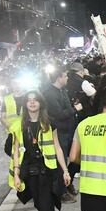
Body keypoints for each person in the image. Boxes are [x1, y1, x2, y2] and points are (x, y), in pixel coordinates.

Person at [9, 90, 71, 211]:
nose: (32, 102)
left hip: (48, 171)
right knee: (41, 205)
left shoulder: (49, 123)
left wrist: (65, 170)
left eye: (35, 100)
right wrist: (16, 174)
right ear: (25, 104)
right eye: (29, 100)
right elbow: (15, 151)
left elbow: (57, 147)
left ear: (40, 103)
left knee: (44, 206)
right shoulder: (19, 125)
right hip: (29, 172)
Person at [41, 66, 78, 200]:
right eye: (65, 76)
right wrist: (75, 109)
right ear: (59, 78)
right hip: (60, 131)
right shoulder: (50, 94)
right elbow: (59, 114)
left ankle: (68, 183)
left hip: (69, 130)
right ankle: (61, 192)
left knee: (74, 158)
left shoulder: (62, 90)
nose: (67, 78)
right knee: (60, 163)